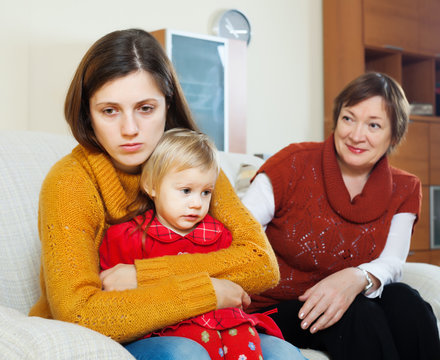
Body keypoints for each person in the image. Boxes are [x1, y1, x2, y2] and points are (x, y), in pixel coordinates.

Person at [28, 28, 304, 360]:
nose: (129, 129)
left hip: (202, 324)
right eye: (110, 111)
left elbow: (261, 265)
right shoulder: (69, 182)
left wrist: (143, 275)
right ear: (88, 113)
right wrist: (207, 291)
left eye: (145, 108)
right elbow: (81, 313)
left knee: (283, 355)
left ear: (167, 104)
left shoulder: (192, 164)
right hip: (115, 335)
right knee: (184, 353)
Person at [242, 72, 440, 360]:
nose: (356, 135)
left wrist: (355, 277)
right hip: (274, 307)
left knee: (406, 301)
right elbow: (239, 232)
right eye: (348, 118)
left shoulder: (405, 187)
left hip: (352, 298)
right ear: (336, 119)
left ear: (394, 134)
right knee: (358, 314)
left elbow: (392, 261)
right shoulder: (291, 164)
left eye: (374, 125)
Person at [100, 128, 288, 360]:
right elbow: (110, 297)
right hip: (163, 327)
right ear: (151, 186)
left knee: (247, 335)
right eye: (186, 191)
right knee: (193, 343)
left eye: (205, 192)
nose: (196, 203)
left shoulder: (221, 237)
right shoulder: (126, 237)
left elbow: (238, 290)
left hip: (224, 325)